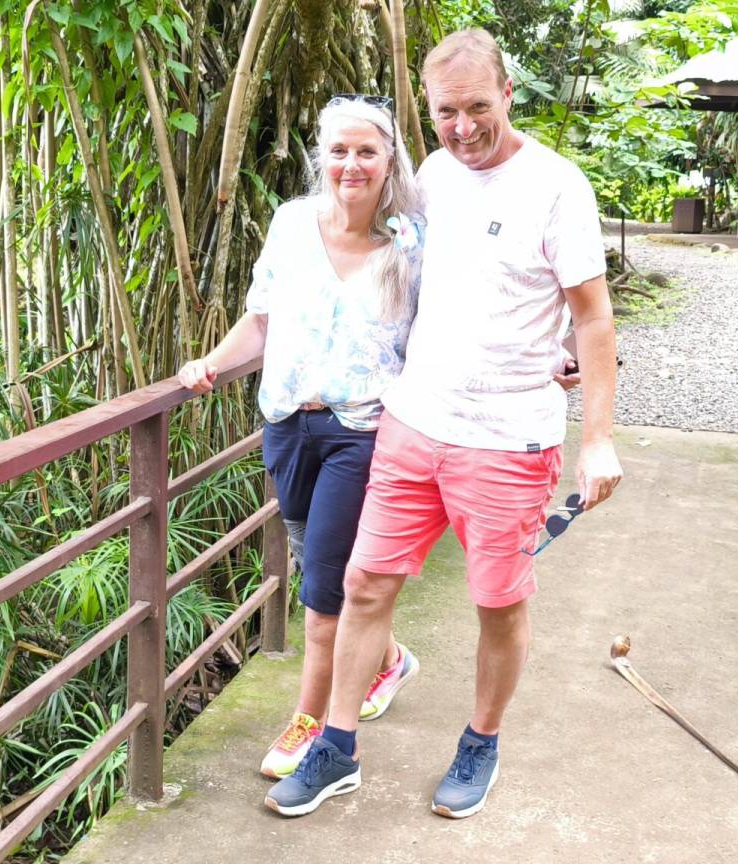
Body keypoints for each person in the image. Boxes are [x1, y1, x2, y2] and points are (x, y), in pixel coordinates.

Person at [263, 27, 623, 819]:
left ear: (508, 94)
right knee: (363, 585)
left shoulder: (556, 187)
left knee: (497, 602)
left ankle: (481, 740)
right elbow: (416, 280)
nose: (462, 127)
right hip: (412, 422)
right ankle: (336, 747)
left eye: (478, 107)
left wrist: (597, 438)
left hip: (507, 439)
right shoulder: (430, 175)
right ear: (427, 111)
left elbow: (593, 318)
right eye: (445, 113)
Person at [177, 94, 424, 785]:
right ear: (323, 158)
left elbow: (449, 324)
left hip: (361, 431)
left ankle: (311, 724)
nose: (352, 164)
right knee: (321, 563)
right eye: (339, 151)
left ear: (389, 161)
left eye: (367, 151)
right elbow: (261, 319)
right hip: (287, 423)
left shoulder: (411, 241)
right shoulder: (291, 223)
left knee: (321, 591)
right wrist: (210, 363)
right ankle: (390, 660)